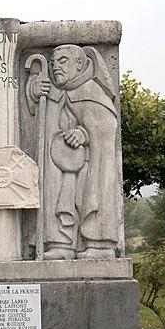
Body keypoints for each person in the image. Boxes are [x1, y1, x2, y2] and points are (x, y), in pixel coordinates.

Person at [26, 45, 119, 259]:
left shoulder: (91, 91)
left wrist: (83, 134)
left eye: (63, 60)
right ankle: (60, 244)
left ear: (79, 64)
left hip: (86, 166)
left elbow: (106, 128)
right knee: (55, 192)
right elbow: (37, 115)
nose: (56, 66)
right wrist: (34, 90)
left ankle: (100, 244)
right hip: (60, 166)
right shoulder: (57, 91)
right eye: (53, 62)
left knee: (88, 197)